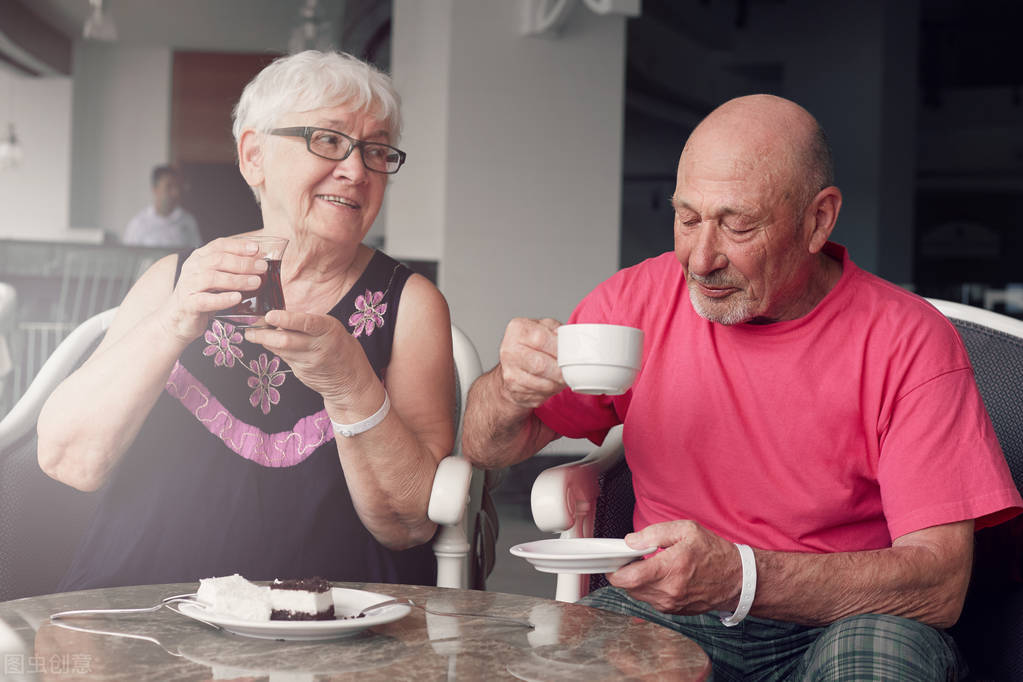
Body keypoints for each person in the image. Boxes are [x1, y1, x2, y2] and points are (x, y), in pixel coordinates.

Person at [461, 94, 1023, 680]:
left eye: (738, 225)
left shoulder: (909, 340)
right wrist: (509, 387)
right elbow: (485, 447)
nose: (701, 259)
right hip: (671, 610)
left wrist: (742, 577)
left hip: (848, 616)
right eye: (687, 218)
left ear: (818, 220)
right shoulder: (635, 302)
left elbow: (940, 583)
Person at [38, 50, 455, 589]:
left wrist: (351, 384)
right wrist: (172, 322)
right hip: (145, 615)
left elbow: (408, 524)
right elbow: (70, 461)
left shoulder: (410, 304)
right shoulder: (175, 279)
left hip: (331, 629)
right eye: (327, 140)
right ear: (254, 155)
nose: (356, 170)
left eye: (375, 150)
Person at [122, 165, 202, 248]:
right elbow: (128, 257)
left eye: (177, 186)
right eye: (169, 186)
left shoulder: (188, 221)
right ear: (155, 189)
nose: (175, 192)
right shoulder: (138, 224)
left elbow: (197, 252)